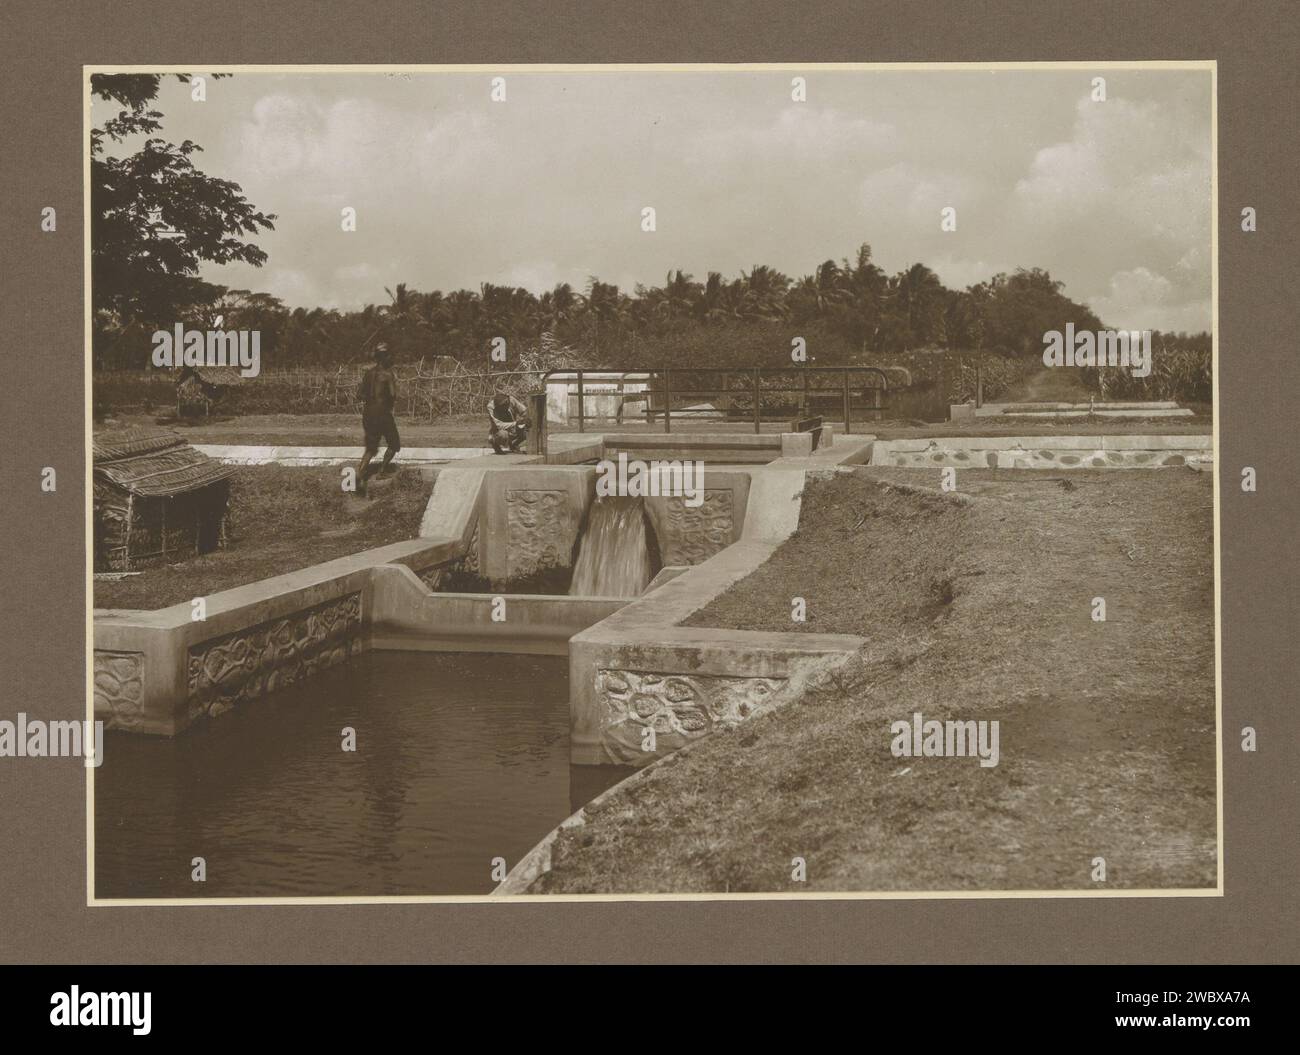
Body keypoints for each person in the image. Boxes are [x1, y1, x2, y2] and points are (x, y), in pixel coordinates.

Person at [356, 343, 400, 489]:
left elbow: (359, 395)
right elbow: (394, 395)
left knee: (371, 448)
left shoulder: (368, 374)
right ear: (385, 358)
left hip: (368, 413)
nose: (391, 358)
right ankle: (382, 471)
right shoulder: (388, 374)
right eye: (389, 356)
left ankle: (359, 476)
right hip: (382, 413)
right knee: (394, 444)